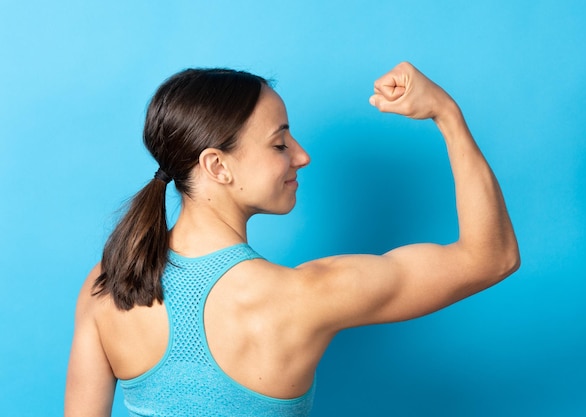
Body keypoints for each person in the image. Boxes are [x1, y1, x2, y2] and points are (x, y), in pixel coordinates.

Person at [65, 62, 520, 417]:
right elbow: (491, 257)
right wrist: (447, 114)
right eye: (280, 144)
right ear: (217, 166)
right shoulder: (304, 296)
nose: (301, 155)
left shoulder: (107, 283)